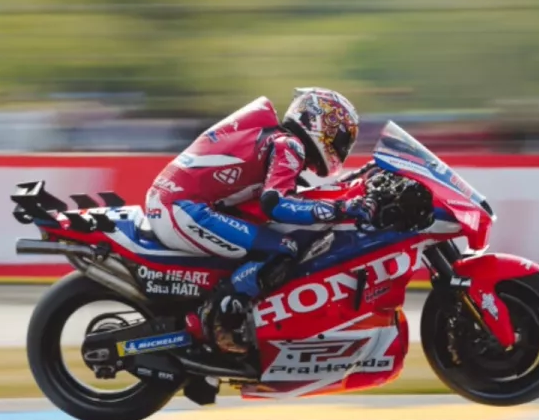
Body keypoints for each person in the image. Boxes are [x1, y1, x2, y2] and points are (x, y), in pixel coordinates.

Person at [144, 87, 374, 352]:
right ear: (321, 123)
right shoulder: (289, 145)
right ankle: (218, 325)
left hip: (178, 203)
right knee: (283, 248)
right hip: (181, 208)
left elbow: (301, 195)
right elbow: (275, 204)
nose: (341, 146)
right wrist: (340, 210)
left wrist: (357, 180)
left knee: (268, 241)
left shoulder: (279, 142)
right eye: (340, 137)